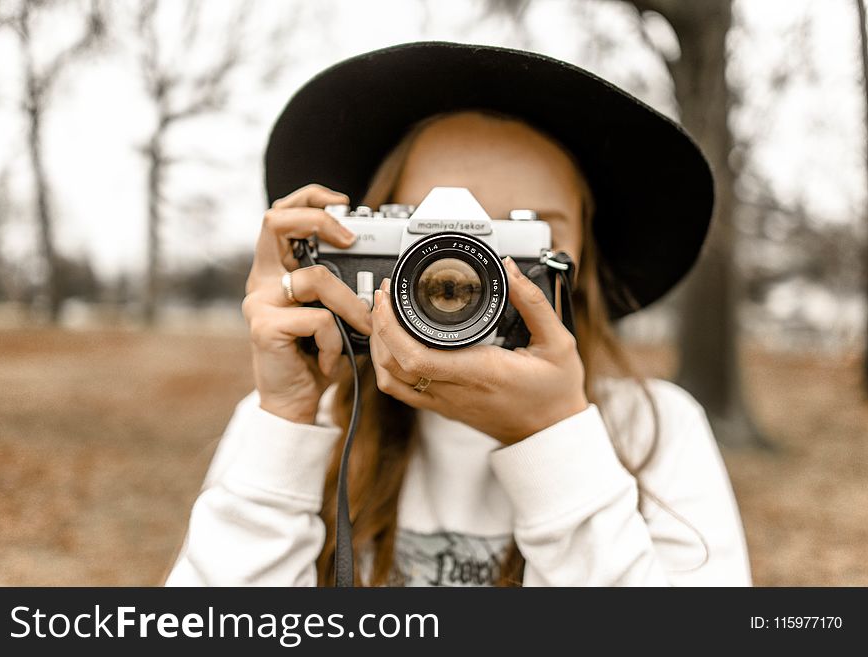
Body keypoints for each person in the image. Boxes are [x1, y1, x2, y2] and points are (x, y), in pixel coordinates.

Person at [165, 42, 752, 587]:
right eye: (430, 231)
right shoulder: (299, 420)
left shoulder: (654, 429)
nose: (473, 269)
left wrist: (554, 439)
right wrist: (284, 423)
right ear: (363, 245)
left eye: (520, 233)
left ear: (581, 265)